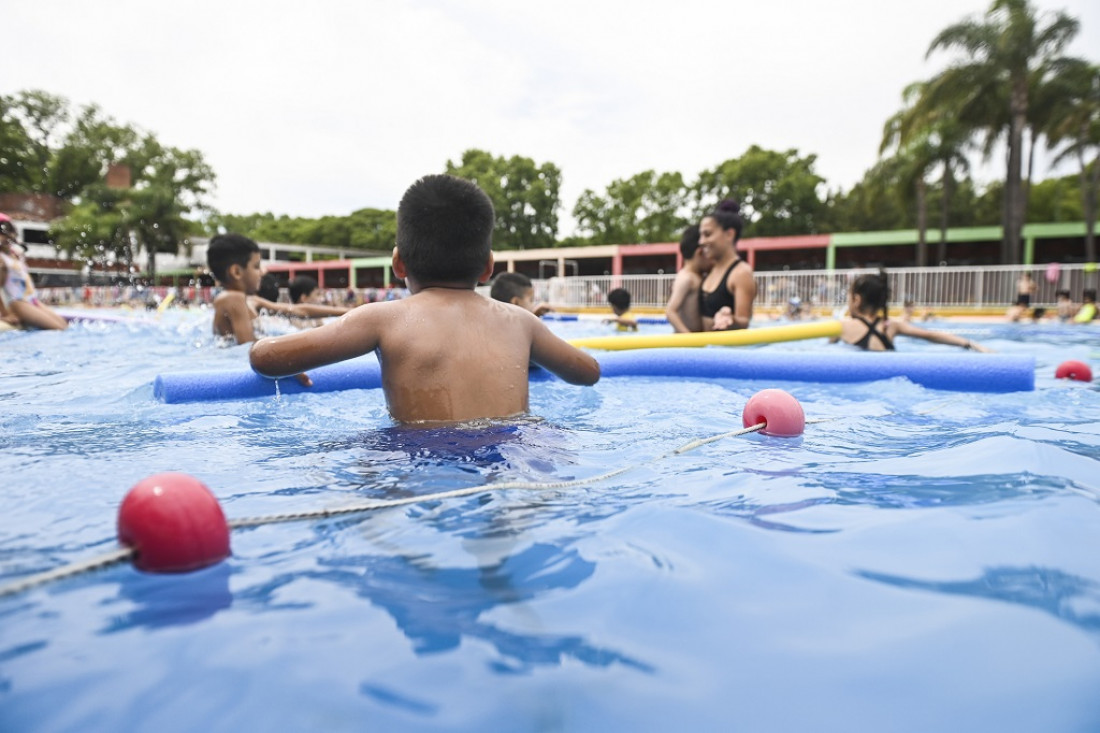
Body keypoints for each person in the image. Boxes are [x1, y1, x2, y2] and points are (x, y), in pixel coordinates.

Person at [249, 174, 600, 424]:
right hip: (518, 448)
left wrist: (281, 355)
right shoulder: (520, 322)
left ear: (398, 263)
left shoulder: (381, 319)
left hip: (418, 456)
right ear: (488, 266)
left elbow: (266, 358)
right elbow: (588, 373)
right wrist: (529, 356)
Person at [834, 269, 991, 352]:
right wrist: (969, 343)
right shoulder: (892, 326)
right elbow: (930, 335)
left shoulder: (842, 327)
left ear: (856, 299)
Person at [0, 213, 68, 330]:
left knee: (64, 325)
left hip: (32, 300)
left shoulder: (15, 254)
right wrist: (6, 314)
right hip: (17, 303)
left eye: (9, 231)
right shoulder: (1, 259)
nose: (6, 236)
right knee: (57, 328)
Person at [698, 199, 756, 331]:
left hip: (723, 350)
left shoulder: (741, 273)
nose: (701, 241)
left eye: (707, 234)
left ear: (729, 234)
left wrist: (730, 319)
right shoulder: (710, 269)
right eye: (700, 236)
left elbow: (744, 321)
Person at [664, 224, 709, 333]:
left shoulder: (698, 276)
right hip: (685, 343)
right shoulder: (686, 278)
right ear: (700, 252)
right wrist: (688, 337)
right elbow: (670, 311)